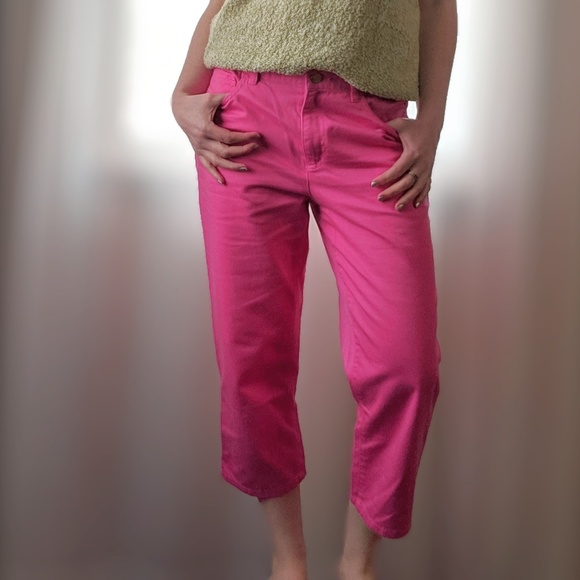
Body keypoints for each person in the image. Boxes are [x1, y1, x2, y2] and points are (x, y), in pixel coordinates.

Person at [172, 1, 457, 578]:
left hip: (371, 128)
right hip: (243, 117)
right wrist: (182, 95)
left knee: (407, 367)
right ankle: (289, 562)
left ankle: (357, 567)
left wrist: (432, 121)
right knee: (251, 359)